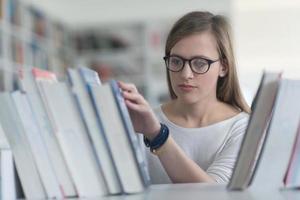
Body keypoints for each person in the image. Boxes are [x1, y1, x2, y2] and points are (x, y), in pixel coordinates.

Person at [118, 11, 251, 184]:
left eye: (200, 63)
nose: (185, 74)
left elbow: (214, 194)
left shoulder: (243, 128)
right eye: (176, 61)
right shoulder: (141, 122)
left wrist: (158, 136)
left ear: (223, 67)